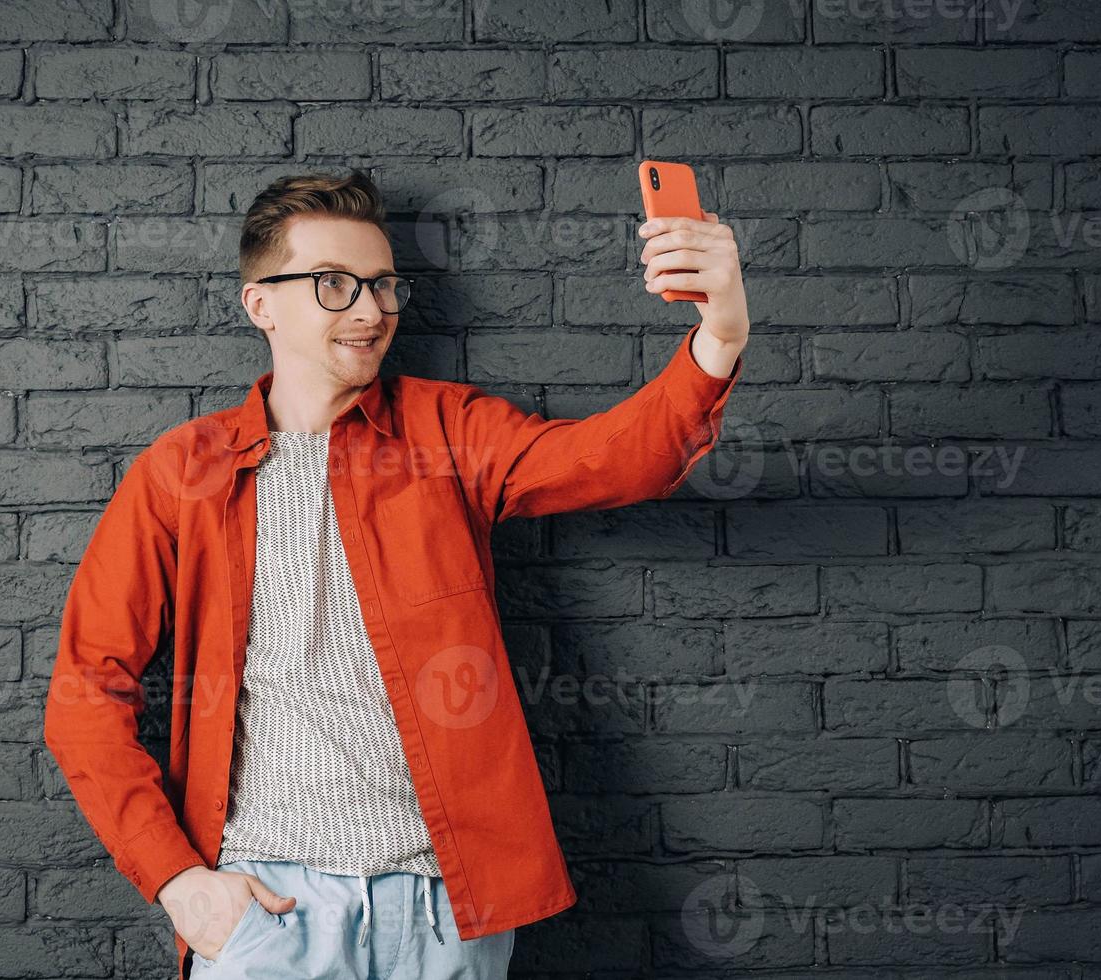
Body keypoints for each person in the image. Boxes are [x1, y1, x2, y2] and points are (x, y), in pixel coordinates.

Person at [42, 168, 749, 979]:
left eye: (382, 286)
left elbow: (611, 459)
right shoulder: (182, 472)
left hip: (444, 910)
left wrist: (720, 335)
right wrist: (176, 879)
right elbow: (86, 693)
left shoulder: (445, 431)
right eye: (334, 285)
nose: (371, 311)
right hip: (266, 908)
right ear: (260, 305)